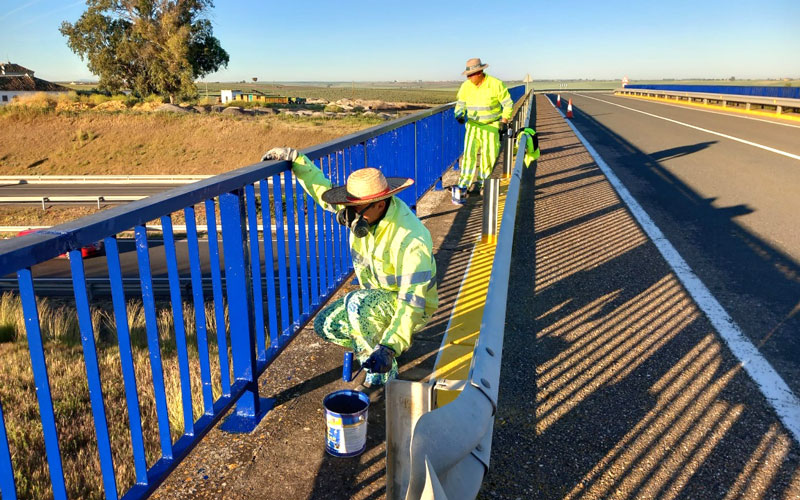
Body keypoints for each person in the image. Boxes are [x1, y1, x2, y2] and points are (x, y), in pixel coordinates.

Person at [261, 147, 438, 388]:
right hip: (375, 299)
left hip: (412, 306)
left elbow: (412, 301)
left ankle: (383, 375)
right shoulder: (366, 213)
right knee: (326, 325)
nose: (347, 215)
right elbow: (322, 190)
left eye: (353, 209)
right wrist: (297, 161)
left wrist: (390, 345)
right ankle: (382, 345)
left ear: (379, 205)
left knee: (356, 303)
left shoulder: (410, 240)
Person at [452, 58, 514, 205]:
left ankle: (482, 183)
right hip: (473, 126)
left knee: (488, 156)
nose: (468, 78)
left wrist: (504, 121)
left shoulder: (495, 84)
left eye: (471, 75)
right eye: (467, 75)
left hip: (491, 126)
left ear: (479, 73)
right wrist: (459, 114)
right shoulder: (466, 86)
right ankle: (463, 185)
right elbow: (460, 103)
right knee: (469, 155)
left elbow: (508, 104)